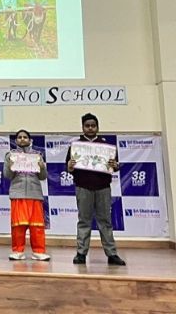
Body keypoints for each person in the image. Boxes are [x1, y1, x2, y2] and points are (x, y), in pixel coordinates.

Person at [67, 113, 126, 266]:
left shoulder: (106, 147)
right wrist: (70, 166)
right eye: (87, 126)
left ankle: (112, 254)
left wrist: (115, 166)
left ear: (97, 127)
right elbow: (69, 168)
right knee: (84, 221)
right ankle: (81, 253)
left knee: (105, 221)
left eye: (93, 125)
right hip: (83, 187)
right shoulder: (75, 146)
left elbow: (115, 166)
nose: (90, 128)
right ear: (83, 127)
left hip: (103, 188)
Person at [4, 129, 49, 261]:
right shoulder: (10, 155)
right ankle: (18, 251)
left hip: (35, 194)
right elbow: (7, 176)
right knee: (18, 225)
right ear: (16, 140)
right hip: (18, 193)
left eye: (25, 137)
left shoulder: (37, 155)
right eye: (19, 137)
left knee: (37, 226)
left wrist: (42, 167)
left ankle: (39, 251)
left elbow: (43, 177)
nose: (22, 139)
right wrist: (11, 166)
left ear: (30, 140)